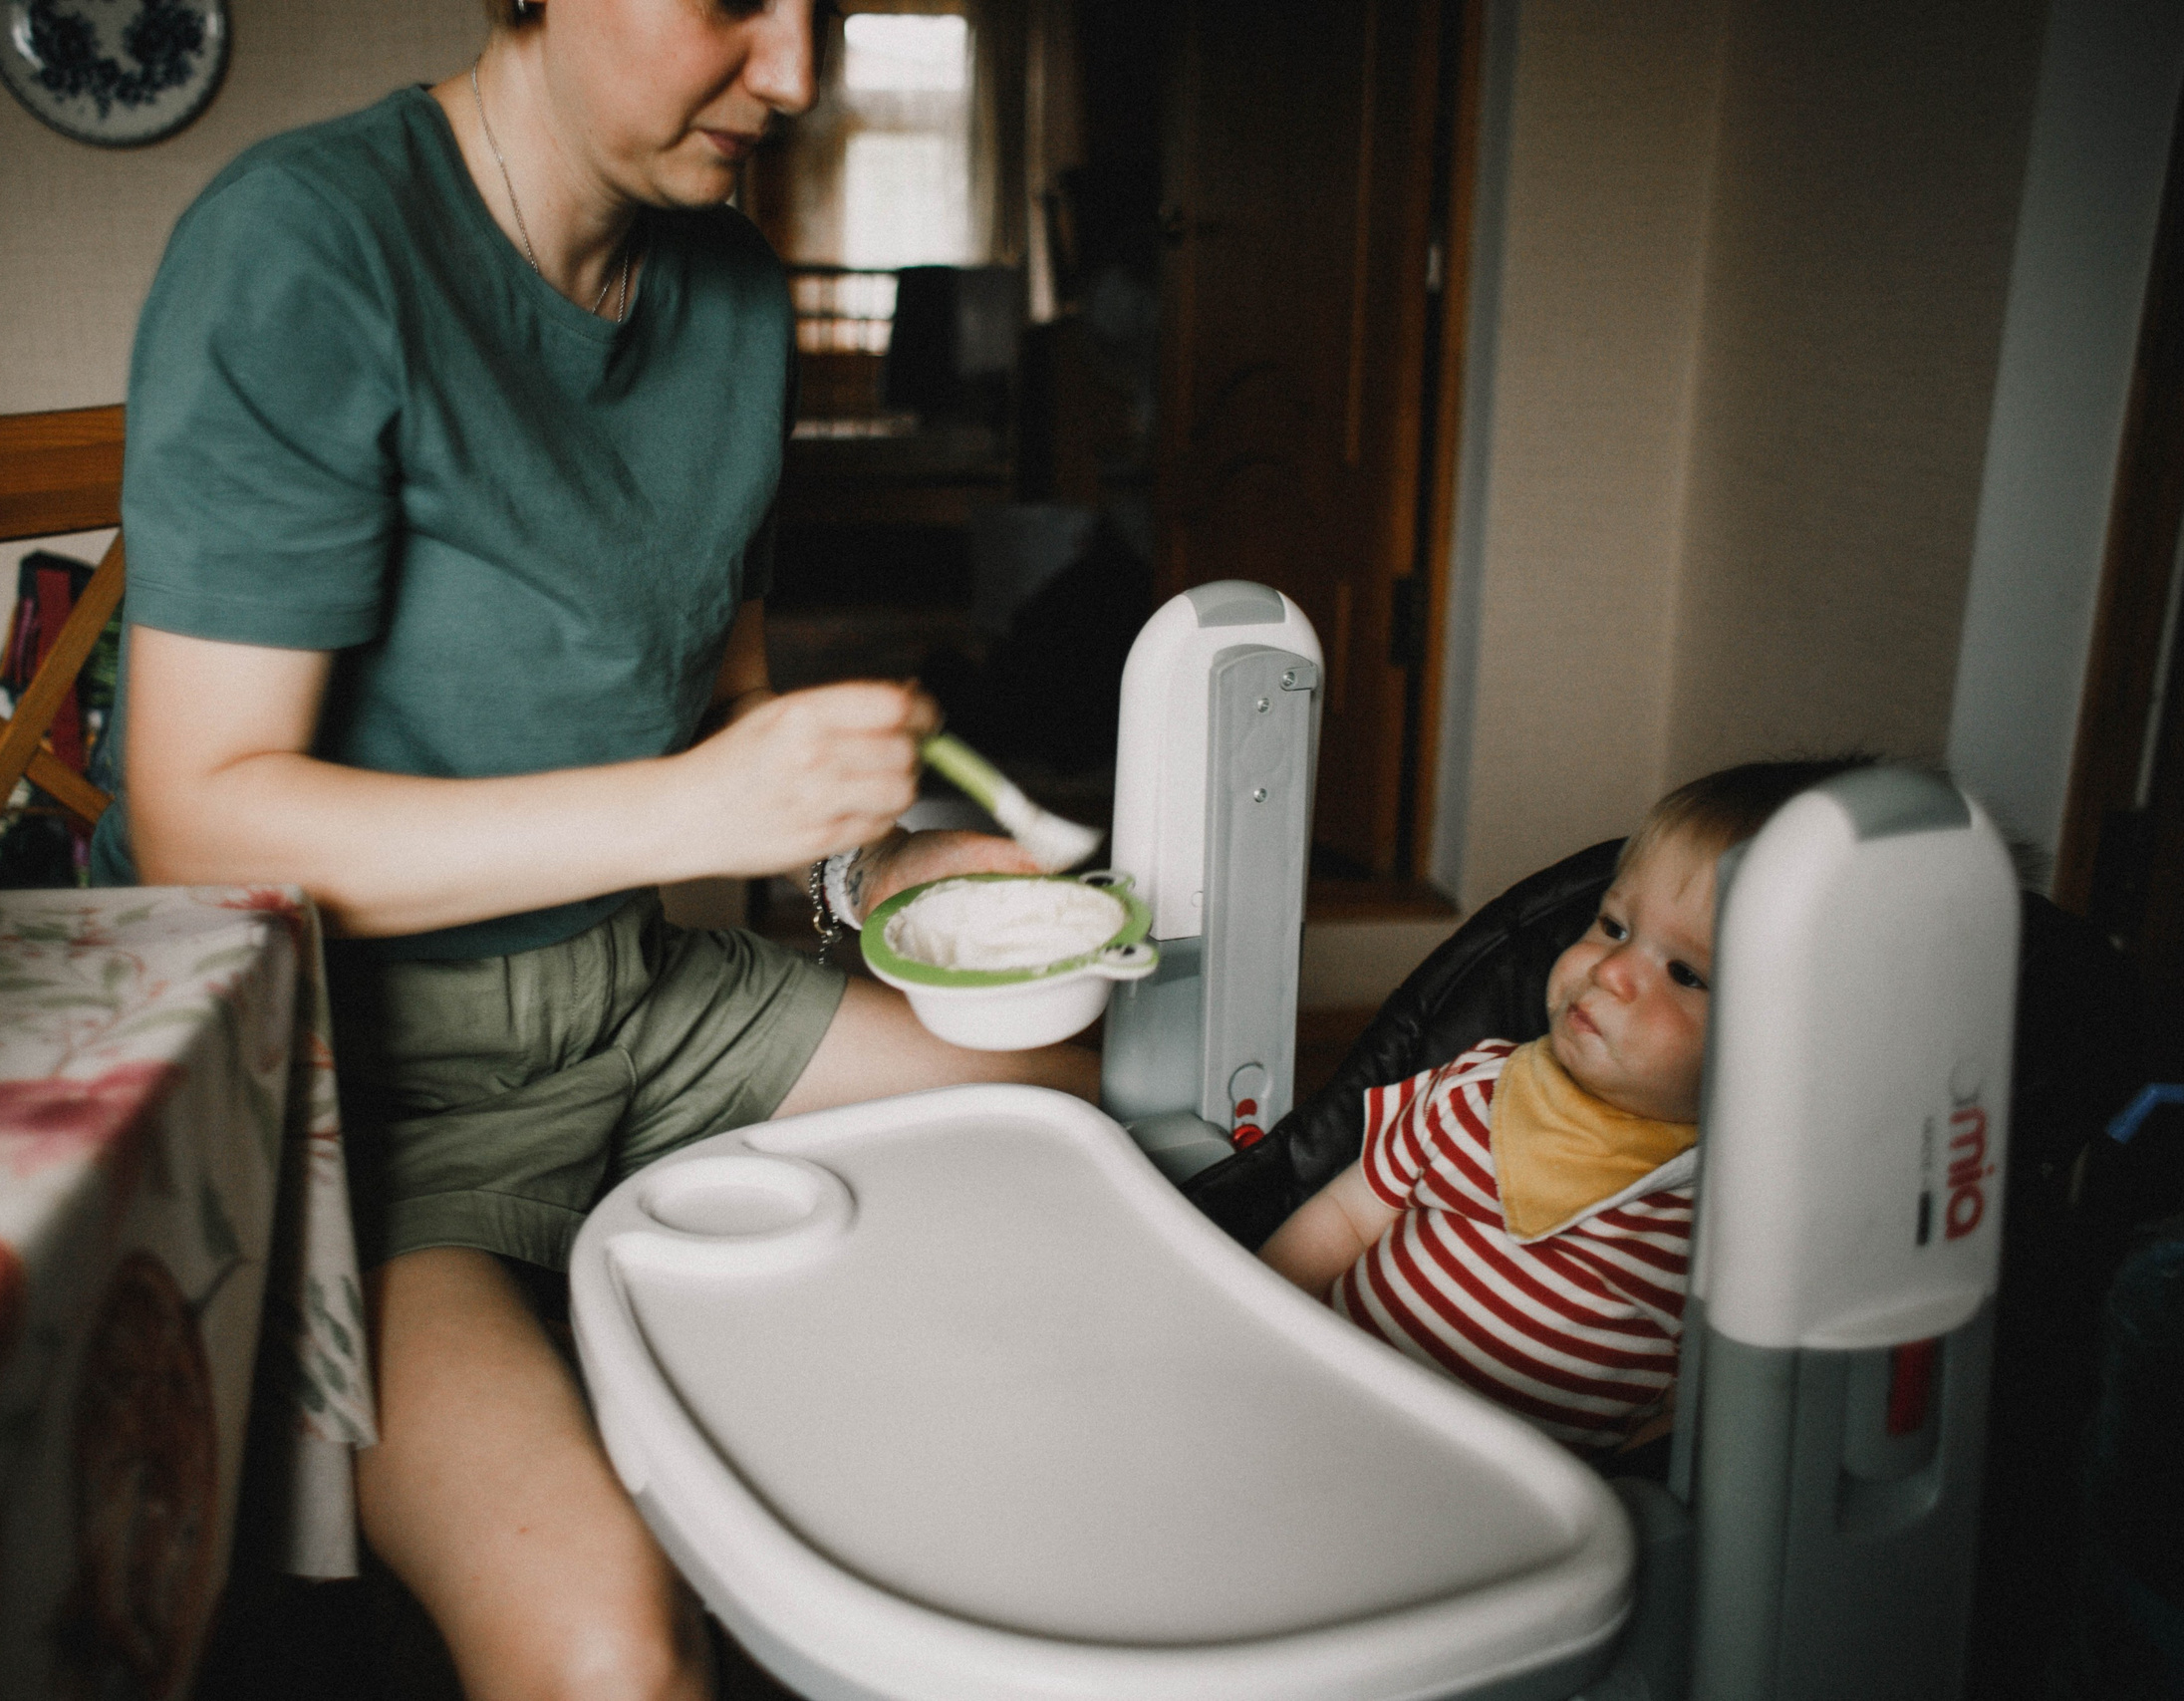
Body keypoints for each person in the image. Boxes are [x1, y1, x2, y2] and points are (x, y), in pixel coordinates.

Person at [90, 1, 1096, 1693]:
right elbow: (205, 820)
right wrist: (694, 811)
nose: (793, 77)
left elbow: (733, 711)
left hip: (629, 993)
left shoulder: (734, 291)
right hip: (358, 1082)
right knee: (608, 1650)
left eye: (820, 11)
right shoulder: (307, 247)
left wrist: (875, 875)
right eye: (730, 2)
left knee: (1087, 1102)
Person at [1257, 760, 1866, 1455]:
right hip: (1320, 1396)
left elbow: (1690, 1414)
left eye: (1685, 973)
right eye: (1613, 926)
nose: (1610, 969)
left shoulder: (1729, 1224)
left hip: (1501, 1492)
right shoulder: (1474, 1086)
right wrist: (1256, 1319)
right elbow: (1342, 1220)